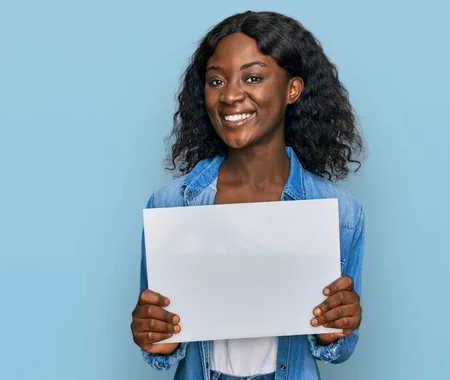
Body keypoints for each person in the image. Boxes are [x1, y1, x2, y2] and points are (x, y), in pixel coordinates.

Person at [130, 10, 366, 380]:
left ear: (293, 89)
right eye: (216, 81)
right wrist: (156, 336)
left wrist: (338, 325)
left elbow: (338, 348)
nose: (230, 96)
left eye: (253, 77)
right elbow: (160, 343)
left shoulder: (340, 213)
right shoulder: (171, 204)